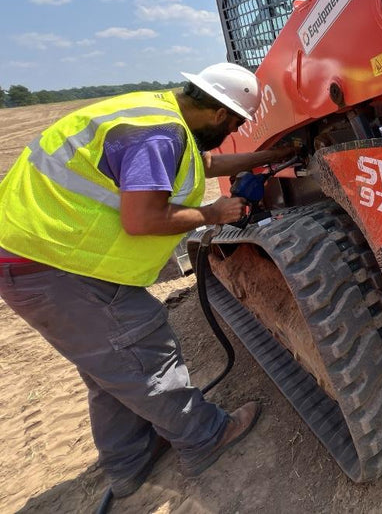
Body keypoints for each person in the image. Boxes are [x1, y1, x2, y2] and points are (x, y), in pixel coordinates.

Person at [0, 63, 297, 498]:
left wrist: (271, 156)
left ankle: (128, 461)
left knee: (110, 369)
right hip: (59, 267)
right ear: (219, 114)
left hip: (40, 260)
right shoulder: (158, 134)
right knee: (143, 352)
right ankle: (205, 437)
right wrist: (215, 214)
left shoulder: (155, 114)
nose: (234, 129)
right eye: (236, 122)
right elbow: (142, 218)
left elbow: (204, 163)